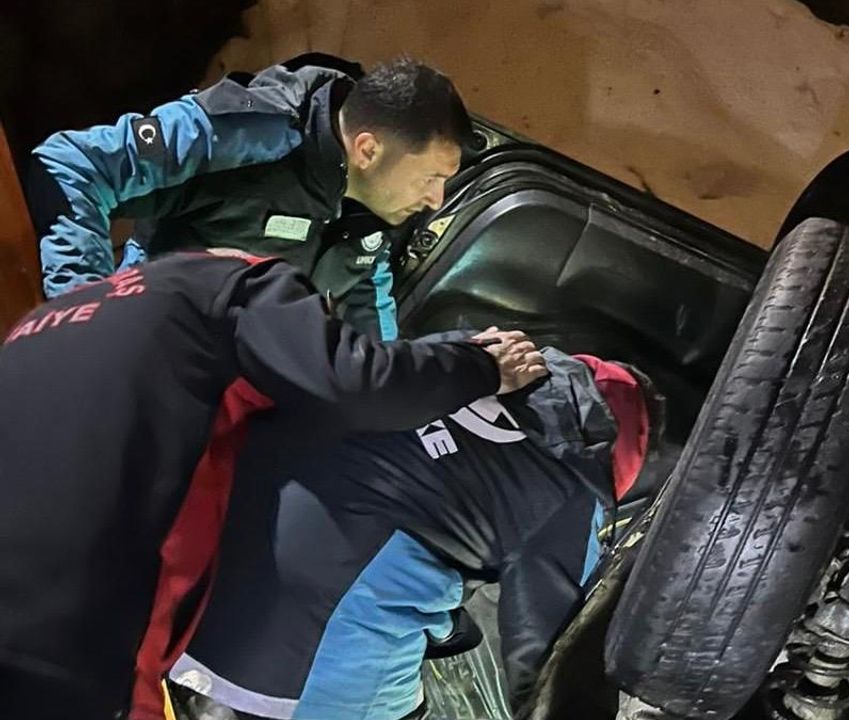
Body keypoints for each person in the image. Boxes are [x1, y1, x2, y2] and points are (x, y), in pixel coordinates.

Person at [0, 251, 547, 720]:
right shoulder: (241, 284)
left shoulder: (47, 320)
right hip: (68, 634)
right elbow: (353, 380)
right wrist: (481, 366)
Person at [164, 345, 664, 720]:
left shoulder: (454, 358)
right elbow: (542, 655)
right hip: (295, 652)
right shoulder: (571, 486)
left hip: (189, 584)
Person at [27, 53, 470, 339]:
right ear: (368, 150)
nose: (436, 199)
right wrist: (86, 325)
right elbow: (72, 163)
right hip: (152, 356)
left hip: (243, 398)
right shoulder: (252, 132)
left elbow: (370, 321)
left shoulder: (373, 214)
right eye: (431, 177)